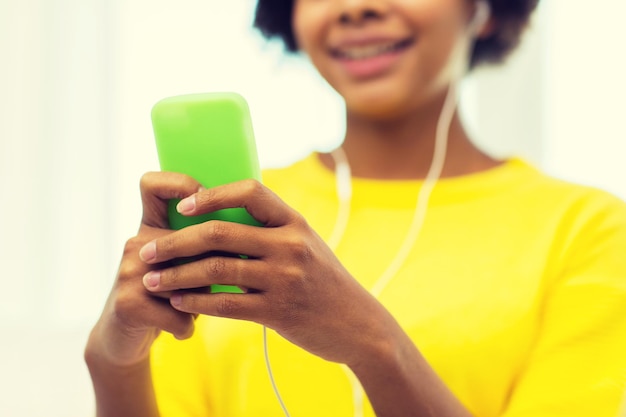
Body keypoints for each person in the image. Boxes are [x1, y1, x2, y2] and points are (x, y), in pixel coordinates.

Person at [85, 0, 626, 416]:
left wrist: (372, 343)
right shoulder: (231, 221)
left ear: (484, 10)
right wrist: (113, 360)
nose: (354, 8)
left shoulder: (588, 230)